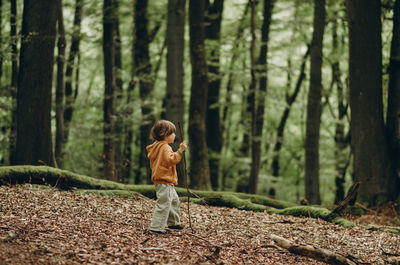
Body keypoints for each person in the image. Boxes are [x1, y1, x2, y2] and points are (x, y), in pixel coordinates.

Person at [146, 120, 187, 234]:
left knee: (174, 201)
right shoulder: (165, 147)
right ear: (164, 134)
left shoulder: (157, 146)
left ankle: (173, 223)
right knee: (164, 203)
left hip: (163, 180)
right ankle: (156, 227)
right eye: (172, 133)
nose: (175, 135)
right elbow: (170, 160)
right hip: (165, 180)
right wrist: (180, 151)